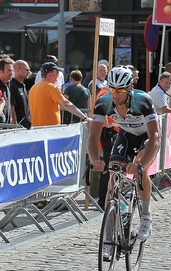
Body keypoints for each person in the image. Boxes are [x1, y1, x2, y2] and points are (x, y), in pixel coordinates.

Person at [88, 66, 160, 243]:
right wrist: (95, 160)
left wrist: (141, 164)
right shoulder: (103, 102)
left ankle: (145, 215)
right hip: (126, 135)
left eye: (120, 90)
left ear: (130, 89)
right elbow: (93, 135)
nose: (115, 94)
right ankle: (109, 236)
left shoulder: (143, 101)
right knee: (113, 177)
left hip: (147, 138)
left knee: (140, 171)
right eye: (112, 89)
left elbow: (155, 136)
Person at [29, 62, 92, 127]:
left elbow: (31, 112)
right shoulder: (51, 87)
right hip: (50, 129)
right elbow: (66, 104)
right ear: (50, 74)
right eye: (57, 73)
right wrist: (85, 118)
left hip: (35, 128)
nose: (58, 75)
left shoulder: (33, 88)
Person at [10, 59, 32, 129]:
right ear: (18, 70)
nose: (29, 72)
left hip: (25, 126)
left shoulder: (22, 85)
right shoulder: (13, 85)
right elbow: (12, 107)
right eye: (27, 69)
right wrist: (15, 125)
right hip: (18, 127)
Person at [0, 57, 14, 124]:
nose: (11, 73)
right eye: (9, 71)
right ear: (0, 72)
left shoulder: (7, 86)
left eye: (12, 70)